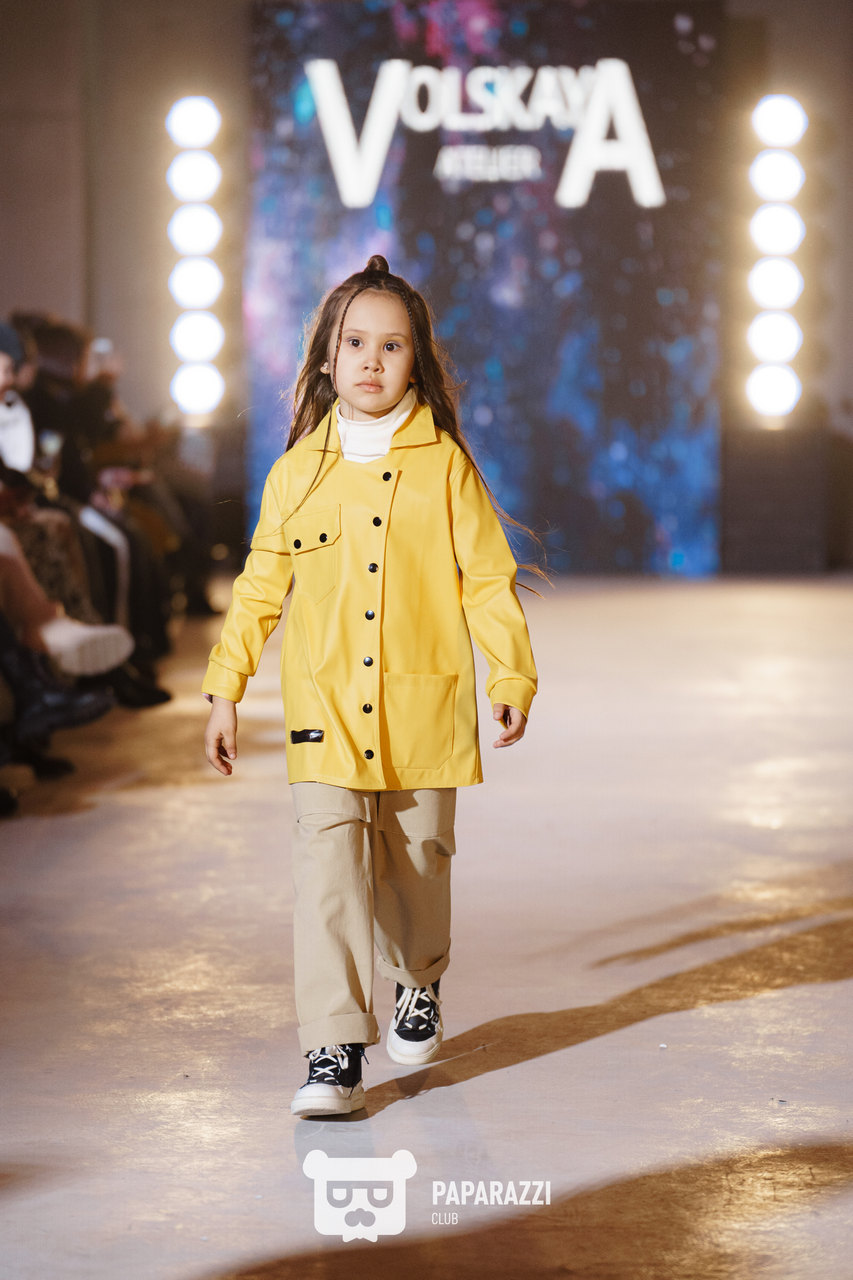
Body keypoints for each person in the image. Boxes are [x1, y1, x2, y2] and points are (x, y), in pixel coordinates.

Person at [202, 256, 537, 1118]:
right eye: (355, 343)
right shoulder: (296, 474)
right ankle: (333, 1052)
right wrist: (225, 687)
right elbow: (259, 587)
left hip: (422, 707)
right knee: (329, 873)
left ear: (416, 361)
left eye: (391, 346)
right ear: (326, 356)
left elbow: (485, 579)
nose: (371, 361)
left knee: (417, 863)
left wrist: (509, 671)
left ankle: (417, 979)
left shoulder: (444, 466)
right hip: (323, 711)